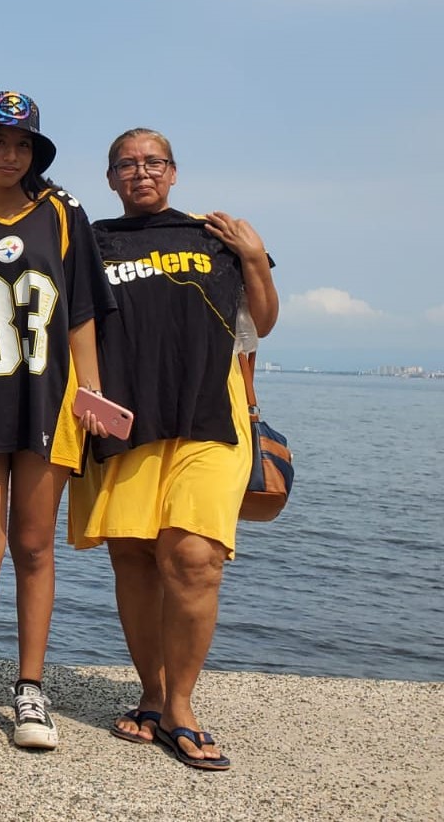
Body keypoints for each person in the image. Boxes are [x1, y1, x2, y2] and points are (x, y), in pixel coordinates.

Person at [67, 128, 278, 771]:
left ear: (175, 172)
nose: (141, 173)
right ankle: (152, 695)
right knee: (133, 563)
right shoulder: (93, 242)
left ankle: (182, 706)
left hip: (209, 421)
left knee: (192, 559)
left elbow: (259, 326)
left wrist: (256, 257)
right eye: (126, 165)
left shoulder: (213, 237)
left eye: (153, 162)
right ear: (110, 179)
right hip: (124, 424)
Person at [0, 92, 115, 750]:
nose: (10, 155)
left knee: (34, 547)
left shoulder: (63, 215)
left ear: (34, 153)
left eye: (22, 144)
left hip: (50, 400)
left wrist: (89, 392)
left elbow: (84, 313)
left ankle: (31, 689)